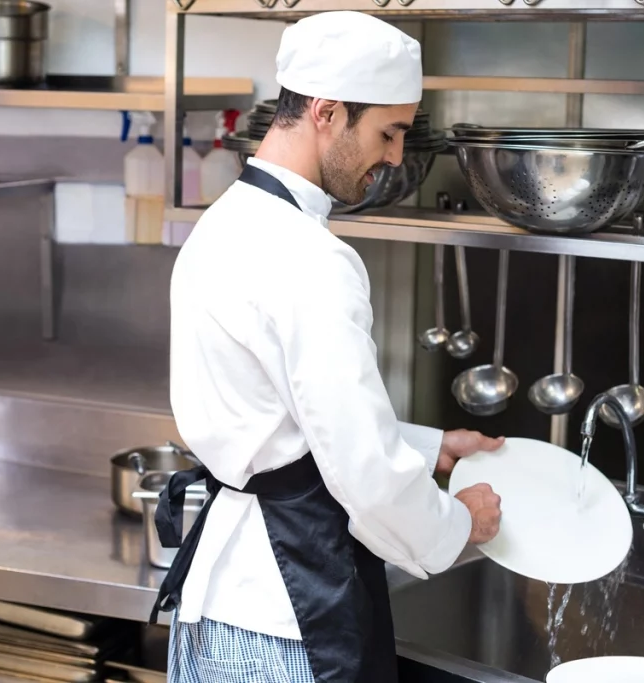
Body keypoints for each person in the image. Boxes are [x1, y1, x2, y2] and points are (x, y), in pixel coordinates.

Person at [153, 10, 504, 683]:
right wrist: (457, 522)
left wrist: (431, 448)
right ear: (326, 112)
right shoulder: (311, 258)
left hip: (215, 611)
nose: (397, 156)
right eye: (389, 131)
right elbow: (365, 474)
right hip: (283, 620)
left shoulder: (223, 223)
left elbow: (284, 421)